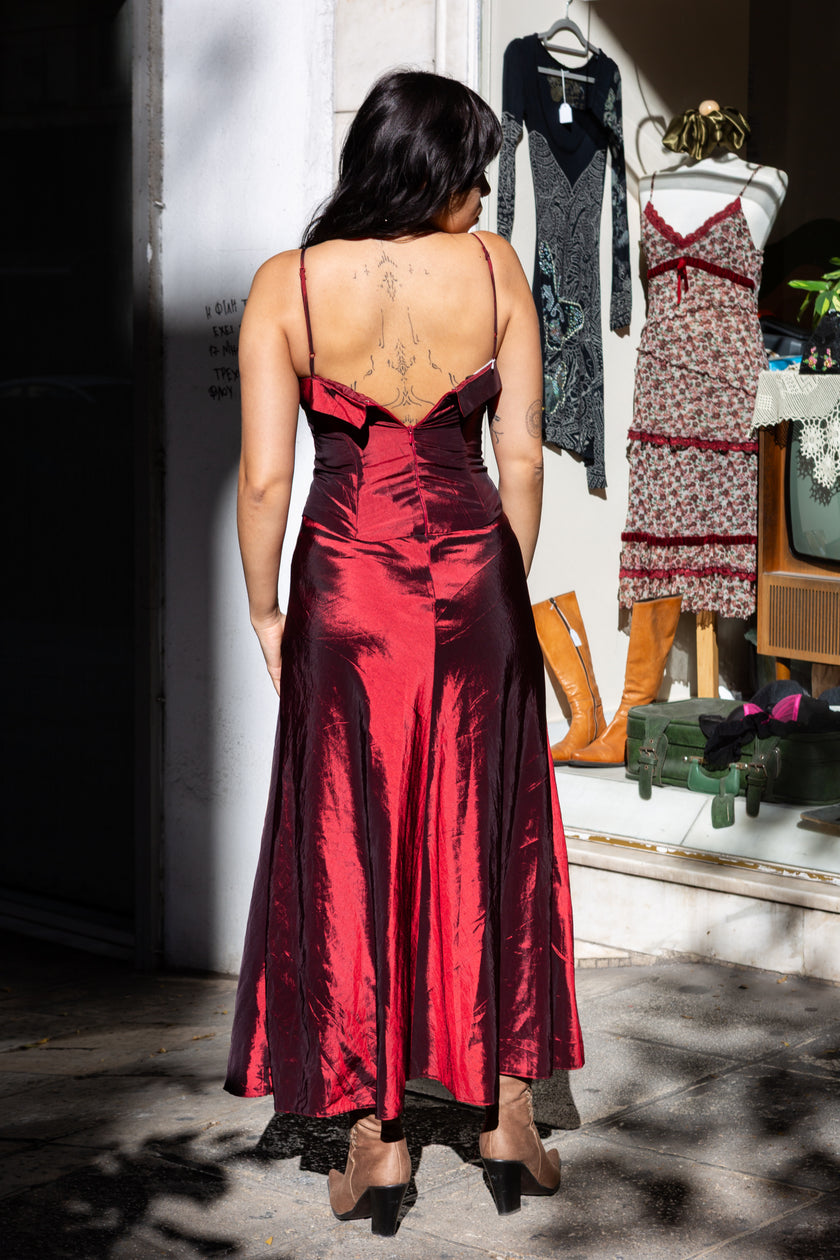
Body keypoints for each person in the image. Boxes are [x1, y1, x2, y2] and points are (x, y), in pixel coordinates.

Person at [224, 69, 584, 1237]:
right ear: (429, 169)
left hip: (345, 579)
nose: (479, 192)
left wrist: (265, 612)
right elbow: (520, 457)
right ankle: (506, 1109)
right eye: (471, 169)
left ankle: (376, 1138)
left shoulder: (288, 284)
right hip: (475, 572)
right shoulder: (493, 268)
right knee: (489, 824)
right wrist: (497, 584)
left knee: (351, 834)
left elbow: (266, 477)